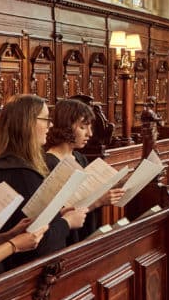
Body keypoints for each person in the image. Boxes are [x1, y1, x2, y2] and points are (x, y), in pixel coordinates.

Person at [0, 95, 84, 270]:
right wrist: (67, 222)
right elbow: (37, 241)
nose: (50, 125)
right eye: (45, 119)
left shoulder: (4, 163)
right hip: (26, 273)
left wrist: (57, 213)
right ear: (27, 123)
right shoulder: (21, 172)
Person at [44, 98, 123, 237]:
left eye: (90, 127)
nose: (90, 134)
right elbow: (58, 215)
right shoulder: (49, 163)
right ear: (66, 126)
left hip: (86, 232)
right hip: (67, 238)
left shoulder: (80, 158)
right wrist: (98, 201)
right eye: (83, 127)